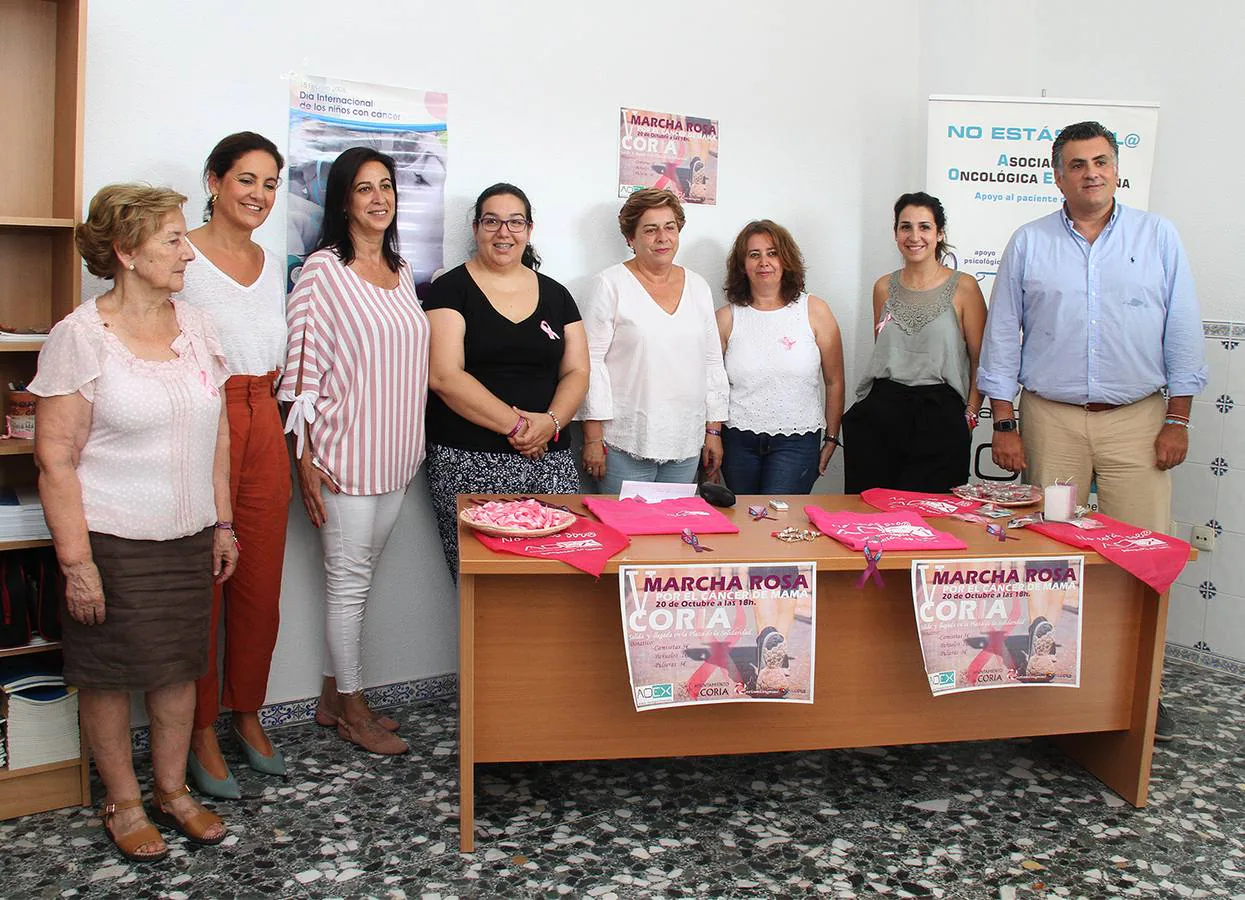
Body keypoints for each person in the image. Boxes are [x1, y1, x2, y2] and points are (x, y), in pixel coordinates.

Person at [977, 120, 1209, 742]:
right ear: (1057, 175)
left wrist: (1178, 420)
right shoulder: (1028, 243)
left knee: (1143, 557)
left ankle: (1141, 690)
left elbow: (1182, 332)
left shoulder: (1158, 237)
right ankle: (1048, 690)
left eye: (1100, 161)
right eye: (1076, 164)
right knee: (1052, 556)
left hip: (1139, 421)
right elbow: (1002, 338)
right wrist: (1005, 424)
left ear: (1116, 168)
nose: (1091, 173)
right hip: (1050, 420)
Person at [32, 185, 236, 860]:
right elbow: (55, 460)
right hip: (112, 541)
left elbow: (219, 433)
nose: (189, 253)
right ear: (125, 251)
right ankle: (122, 800)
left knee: (179, 668)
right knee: (111, 674)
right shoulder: (80, 337)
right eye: (173, 239)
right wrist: (76, 562)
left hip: (187, 537)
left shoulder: (198, 327)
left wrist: (223, 523)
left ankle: (172, 791)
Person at [279, 147, 430, 756]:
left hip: (396, 453)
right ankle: (355, 709)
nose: (378, 198)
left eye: (387, 186)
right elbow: (301, 371)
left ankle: (329, 695)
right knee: (347, 583)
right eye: (364, 188)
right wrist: (304, 457)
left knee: (360, 580)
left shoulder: (402, 269)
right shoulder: (322, 270)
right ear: (343, 200)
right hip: (342, 454)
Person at [176, 132, 290, 799]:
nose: (259, 195)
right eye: (246, 179)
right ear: (214, 180)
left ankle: (246, 713)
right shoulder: (179, 253)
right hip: (200, 421)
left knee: (259, 585)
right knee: (201, 586)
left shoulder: (272, 263)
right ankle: (195, 727)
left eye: (270, 184)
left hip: (263, 416)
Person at [424, 183, 588, 575]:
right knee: (485, 587)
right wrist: (520, 427)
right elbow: (445, 375)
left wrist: (548, 425)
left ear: (530, 230)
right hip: (467, 461)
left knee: (558, 578)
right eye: (492, 221)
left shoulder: (558, 295)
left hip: (550, 458)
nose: (504, 232)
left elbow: (577, 370)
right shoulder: (449, 289)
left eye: (515, 222)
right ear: (477, 228)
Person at [579, 188, 729, 493]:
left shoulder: (698, 287)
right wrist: (593, 438)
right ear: (630, 238)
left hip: (686, 441)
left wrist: (713, 430)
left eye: (669, 227)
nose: (662, 237)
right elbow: (590, 363)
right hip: (625, 440)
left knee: (671, 537)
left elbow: (712, 362)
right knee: (626, 534)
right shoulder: (610, 284)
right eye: (650, 229)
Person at [842, 192, 987, 493]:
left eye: (924, 227)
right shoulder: (883, 287)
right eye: (905, 227)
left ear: (939, 233)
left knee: (933, 521)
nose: (914, 236)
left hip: (940, 416)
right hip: (882, 414)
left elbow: (980, 360)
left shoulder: (964, 287)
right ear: (895, 232)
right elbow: (883, 349)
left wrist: (970, 414)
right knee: (873, 515)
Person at [715, 220, 845, 494]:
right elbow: (712, 384)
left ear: (786, 259)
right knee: (745, 523)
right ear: (742, 264)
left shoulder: (815, 310)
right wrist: (712, 435)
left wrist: (832, 438)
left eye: (772, 253)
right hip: (738, 441)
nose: (764, 262)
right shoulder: (726, 318)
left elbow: (834, 381)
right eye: (754, 254)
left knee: (778, 523)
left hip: (797, 442)